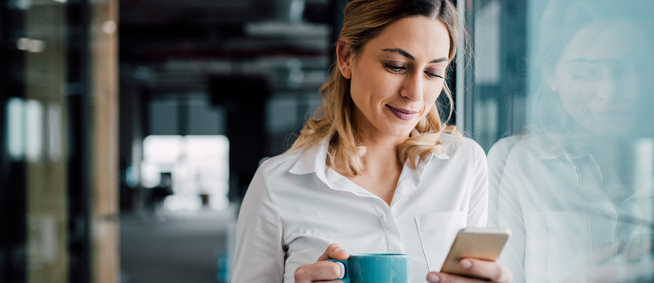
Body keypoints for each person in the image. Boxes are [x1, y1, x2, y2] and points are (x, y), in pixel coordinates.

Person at [230, 1, 512, 282]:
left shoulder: (465, 164)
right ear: (346, 58)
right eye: (396, 66)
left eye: (433, 73)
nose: (414, 93)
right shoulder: (276, 184)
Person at [487, 0, 654, 282]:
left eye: (629, 68)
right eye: (584, 73)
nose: (608, 93)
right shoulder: (515, 163)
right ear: (551, 74)